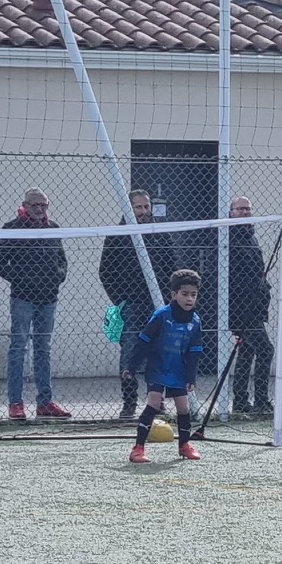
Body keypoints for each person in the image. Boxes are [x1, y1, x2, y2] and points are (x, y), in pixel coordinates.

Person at [100, 189, 179, 419]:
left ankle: (156, 401)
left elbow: (172, 266)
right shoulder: (117, 236)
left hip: (158, 305)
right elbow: (106, 272)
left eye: (146, 206)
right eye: (138, 207)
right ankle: (129, 403)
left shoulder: (159, 233)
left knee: (159, 353)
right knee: (130, 354)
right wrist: (122, 299)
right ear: (129, 208)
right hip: (132, 305)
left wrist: (168, 298)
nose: (144, 211)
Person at [0, 187, 70, 421]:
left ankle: (45, 402)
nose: (39, 209)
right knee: (18, 348)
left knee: (43, 349)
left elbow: (62, 261)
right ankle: (15, 403)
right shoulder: (12, 228)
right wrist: (21, 279)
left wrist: (57, 276)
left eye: (43, 205)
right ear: (25, 205)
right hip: (22, 298)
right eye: (35, 205)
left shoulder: (53, 228)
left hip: (49, 299)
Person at [124, 269, 204, 463]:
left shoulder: (195, 321)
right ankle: (138, 449)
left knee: (183, 407)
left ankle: (184, 445)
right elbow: (143, 341)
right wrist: (131, 367)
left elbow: (194, 352)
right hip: (158, 366)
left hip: (178, 370)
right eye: (185, 294)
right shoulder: (161, 316)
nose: (189, 299)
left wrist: (191, 377)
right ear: (174, 294)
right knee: (154, 402)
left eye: (193, 295)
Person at [228, 196, 273, 414]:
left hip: (255, 307)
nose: (245, 212)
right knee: (265, 350)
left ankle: (241, 401)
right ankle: (261, 400)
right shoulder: (229, 238)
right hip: (240, 308)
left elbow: (257, 270)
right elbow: (235, 276)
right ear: (231, 212)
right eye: (240, 209)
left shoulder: (251, 237)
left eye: (247, 209)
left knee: (247, 351)